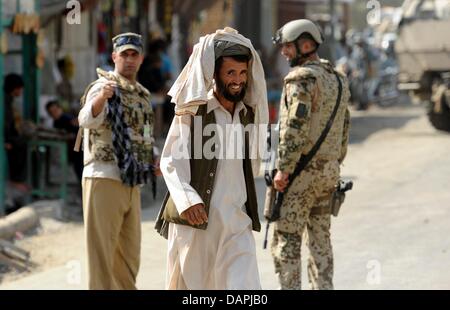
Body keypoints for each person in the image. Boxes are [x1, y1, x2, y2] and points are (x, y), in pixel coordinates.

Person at [156, 27, 269, 290]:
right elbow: (171, 158)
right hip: (197, 224)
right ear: (215, 74)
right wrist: (188, 200)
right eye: (230, 73)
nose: (237, 80)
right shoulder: (194, 110)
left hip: (236, 224)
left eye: (242, 73)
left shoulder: (247, 114)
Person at [271, 19, 351, 290]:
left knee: (287, 240)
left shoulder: (302, 79)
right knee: (320, 239)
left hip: (301, 175)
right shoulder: (338, 79)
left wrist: (283, 168)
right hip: (329, 173)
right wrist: (334, 162)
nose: (284, 53)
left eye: (288, 47)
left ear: (305, 45)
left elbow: (295, 127)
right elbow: (344, 129)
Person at [77, 32, 160, 290]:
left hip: (132, 181)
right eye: (124, 55)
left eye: (134, 55)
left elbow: (145, 135)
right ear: (114, 57)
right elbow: (86, 119)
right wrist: (102, 98)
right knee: (102, 256)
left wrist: (154, 157)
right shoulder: (102, 86)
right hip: (104, 177)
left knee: (128, 259)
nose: (130, 60)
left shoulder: (142, 95)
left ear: (141, 58)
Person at [45, 100, 83, 184]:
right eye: (51, 112)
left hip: (79, 146)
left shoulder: (66, 118)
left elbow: (79, 132)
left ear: (60, 109)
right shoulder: (57, 121)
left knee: (79, 167)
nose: (54, 114)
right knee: (77, 167)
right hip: (73, 147)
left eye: (55, 111)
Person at [3, 73, 28, 193]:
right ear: (15, 88)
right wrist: (5, 141)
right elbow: (5, 124)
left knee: (21, 141)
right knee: (20, 144)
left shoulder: (8, 100)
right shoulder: (4, 102)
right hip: (5, 137)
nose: (21, 91)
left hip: (8, 135)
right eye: (20, 88)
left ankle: (18, 179)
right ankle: (15, 180)